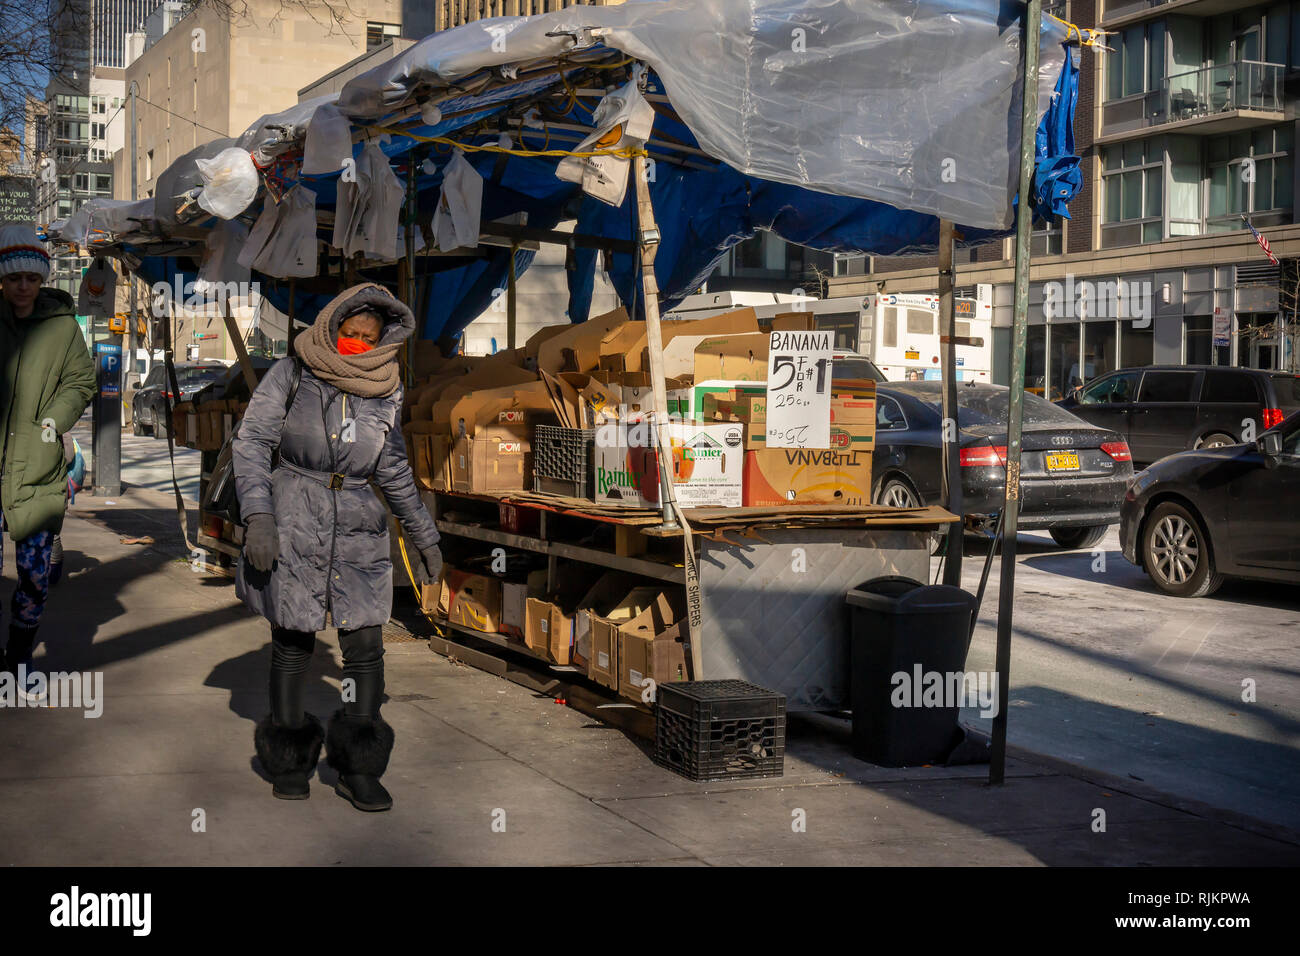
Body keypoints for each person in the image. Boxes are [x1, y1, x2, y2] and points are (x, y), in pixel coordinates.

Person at [233, 282, 441, 811]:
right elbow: (252, 440)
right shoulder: (294, 372)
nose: (356, 343)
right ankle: (290, 760)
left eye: (367, 337)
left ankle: (359, 767)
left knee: (366, 648)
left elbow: (391, 465)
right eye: (348, 333)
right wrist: (259, 515)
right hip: (294, 514)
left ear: (383, 339)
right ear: (331, 327)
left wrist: (422, 533)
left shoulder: (386, 386)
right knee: (295, 641)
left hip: (357, 522)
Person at [0, 224, 96, 697]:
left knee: (35, 576)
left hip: (36, 469)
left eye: (31, 279)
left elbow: (81, 382)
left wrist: (53, 422)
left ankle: (17, 658)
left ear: (42, 281)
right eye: (14, 277)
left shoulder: (62, 328)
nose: (23, 287)